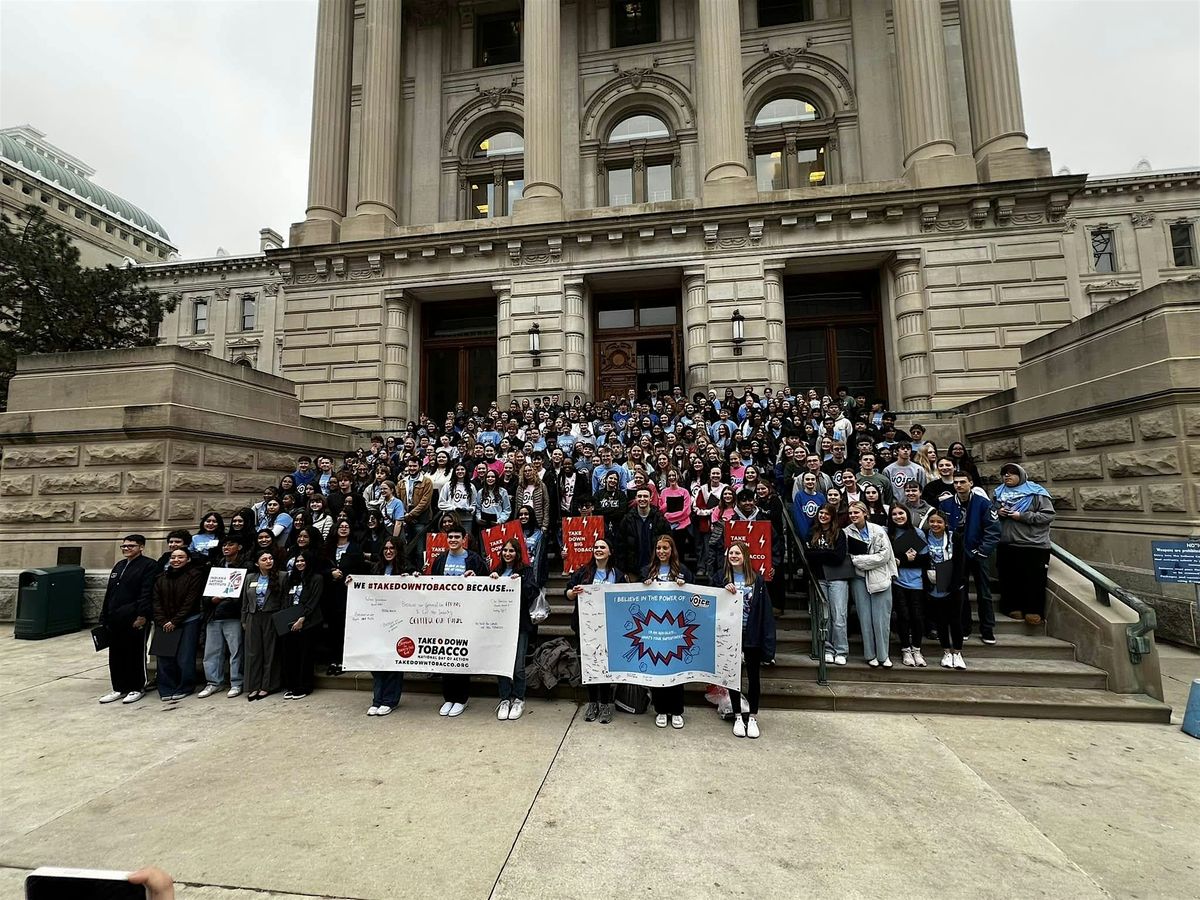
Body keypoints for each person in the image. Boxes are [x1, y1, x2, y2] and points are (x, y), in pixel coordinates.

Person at [429, 523, 490, 717]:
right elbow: (431, 584)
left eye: (457, 537)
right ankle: (448, 698)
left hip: (466, 616)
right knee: (446, 656)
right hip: (444, 616)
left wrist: (476, 577)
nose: (453, 540)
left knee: (461, 657)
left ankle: (461, 699)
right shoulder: (440, 559)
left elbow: (487, 582)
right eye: (450, 537)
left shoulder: (474, 559)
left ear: (464, 539)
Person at [939, 470, 1001, 644]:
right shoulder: (946, 504)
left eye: (962, 482)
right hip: (956, 555)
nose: (959, 485)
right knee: (960, 592)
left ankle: (987, 629)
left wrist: (982, 551)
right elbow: (941, 528)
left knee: (984, 593)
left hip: (978, 554)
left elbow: (993, 530)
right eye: (956, 482)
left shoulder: (983, 503)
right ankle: (964, 627)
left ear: (971, 483)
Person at [566, 538, 624, 724]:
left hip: (608, 626)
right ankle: (592, 703)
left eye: (602, 547)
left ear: (610, 552)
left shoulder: (618, 574)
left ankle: (605, 704)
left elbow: (624, 598)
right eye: (596, 547)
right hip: (586, 627)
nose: (598, 549)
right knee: (589, 665)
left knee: (605, 666)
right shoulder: (583, 572)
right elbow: (568, 593)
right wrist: (573, 592)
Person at [722, 540, 775, 739]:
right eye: (731, 553)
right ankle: (737, 715)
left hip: (751, 635)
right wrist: (723, 589)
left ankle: (752, 717)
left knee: (753, 677)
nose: (734, 556)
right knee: (733, 677)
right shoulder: (721, 578)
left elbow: (765, 611)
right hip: (730, 635)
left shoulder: (757, 580)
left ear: (744, 556)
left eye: (737, 553)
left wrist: (768, 644)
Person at [992, 463, 1056, 626]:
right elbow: (990, 513)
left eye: (1012, 473)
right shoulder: (998, 493)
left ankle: (1033, 610)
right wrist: (998, 512)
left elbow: (1047, 515)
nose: (1007, 476)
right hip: (1007, 543)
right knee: (1009, 578)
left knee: (1033, 579)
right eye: (1004, 473)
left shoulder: (1037, 493)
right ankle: (1012, 607)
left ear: (1020, 475)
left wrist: (1022, 516)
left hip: (1033, 544)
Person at [97, 534, 157, 705]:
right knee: (116, 654)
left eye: (131, 546)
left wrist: (142, 615)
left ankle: (136, 687)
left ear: (141, 547)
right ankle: (119, 687)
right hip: (114, 617)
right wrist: (104, 615)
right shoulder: (119, 565)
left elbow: (146, 592)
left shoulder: (149, 565)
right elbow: (110, 592)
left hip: (134, 618)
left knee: (134, 653)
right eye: (124, 546)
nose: (127, 549)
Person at [642, 535, 692, 730]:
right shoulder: (647, 571)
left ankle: (677, 710)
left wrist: (684, 586)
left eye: (665, 548)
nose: (661, 551)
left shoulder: (683, 571)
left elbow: (693, 595)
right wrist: (644, 586)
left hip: (676, 629)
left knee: (676, 669)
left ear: (672, 550)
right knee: (657, 669)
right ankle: (661, 709)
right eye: (658, 548)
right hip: (654, 628)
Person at [491, 537, 539, 721]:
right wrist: (491, 580)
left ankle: (518, 698)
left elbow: (533, 592)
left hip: (519, 625)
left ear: (518, 553)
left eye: (511, 551)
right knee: (501, 664)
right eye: (505, 550)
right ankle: (505, 698)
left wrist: (521, 582)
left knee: (518, 666)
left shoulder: (526, 570)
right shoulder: (496, 570)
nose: (507, 554)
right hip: (498, 625)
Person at [846, 500, 898, 668]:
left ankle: (884, 655)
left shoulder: (878, 530)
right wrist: (865, 560)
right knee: (865, 618)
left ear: (865, 513)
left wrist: (862, 561)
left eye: (856, 512)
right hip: (859, 579)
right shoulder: (846, 532)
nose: (853, 515)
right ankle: (870, 655)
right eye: (850, 513)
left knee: (881, 619)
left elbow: (885, 555)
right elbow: (849, 558)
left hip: (880, 578)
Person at [152, 548, 206, 701]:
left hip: (187, 621)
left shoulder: (195, 575)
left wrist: (175, 621)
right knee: (164, 658)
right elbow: (156, 601)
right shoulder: (161, 577)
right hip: (164, 622)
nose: (176, 560)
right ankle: (166, 688)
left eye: (181, 557)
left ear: (188, 559)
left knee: (185, 657)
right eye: (173, 557)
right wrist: (163, 620)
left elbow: (191, 601)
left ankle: (185, 687)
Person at [198, 535, 248, 699]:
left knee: (236, 651)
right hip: (213, 615)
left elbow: (242, 593)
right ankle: (213, 682)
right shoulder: (215, 566)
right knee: (212, 651)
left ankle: (237, 682)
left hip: (233, 615)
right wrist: (211, 600)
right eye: (224, 545)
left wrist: (225, 599)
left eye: (230, 544)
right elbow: (206, 590)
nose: (226, 548)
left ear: (239, 547)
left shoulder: (245, 566)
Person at [366, 537, 406, 716]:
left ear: (398, 550)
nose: (388, 551)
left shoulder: (406, 568)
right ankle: (377, 700)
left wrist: (412, 578)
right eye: (385, 548)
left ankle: (390, 700)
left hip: (398, 622)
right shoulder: (376, 569)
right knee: (377, 660)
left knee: (393, 661)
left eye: (392, 548)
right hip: (377, 621)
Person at [807, 505, 851, 666]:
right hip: (819, 578)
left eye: (827, 513)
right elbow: (808, 555)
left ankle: (841, 650)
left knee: (839, 616)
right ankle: (827, 649)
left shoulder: (839, 533)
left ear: (832, 516)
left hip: (838, 578)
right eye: (821, 513)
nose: (823, 516)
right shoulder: (812, 532)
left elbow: (839, 557)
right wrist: (826, 554)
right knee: (824, 617)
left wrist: (818, 554)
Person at [924, 509, 968, 670]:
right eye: (932, 521)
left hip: (953, 585)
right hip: (934, 584)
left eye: (939, 522)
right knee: (941, 621)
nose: (935, 524)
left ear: (945, 523)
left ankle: (957, 653)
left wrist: (954, 583)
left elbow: (960, 562)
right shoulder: (924, 536)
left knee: (955, 620)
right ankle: (946, 652)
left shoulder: (954, 537)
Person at [280, 550, 325, 700]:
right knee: (290, 655)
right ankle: (292, 686)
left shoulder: (316, 578)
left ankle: (304, 687)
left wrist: (302, 619)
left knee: (305, 656)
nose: (299, 563)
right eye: (297, 561)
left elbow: (314, 600)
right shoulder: (290, 578)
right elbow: (285, 598)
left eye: (302, 561)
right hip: (290, 620)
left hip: (309, 622)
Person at [888, 504, 928, 668]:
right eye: (894, 514)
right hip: (897, 581)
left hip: (916, 582)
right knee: (903, 616)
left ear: (907, 514)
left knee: (917, 617)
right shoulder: (888, 534)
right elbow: (889, 561)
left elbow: (924, 559)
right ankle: (905, 649)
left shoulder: (918, 533)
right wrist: (905, 559)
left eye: (901, 513)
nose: (898, 516)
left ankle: (917, 649)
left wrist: (902, 560)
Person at [242, 549, 284, 700]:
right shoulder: (250, 578)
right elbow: (245, 601)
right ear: (257, 563)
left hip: (271, 616)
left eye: (270, 558)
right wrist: (244, 620)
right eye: (264, 559)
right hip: (253, 616)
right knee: (253, 652)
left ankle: (267, 685)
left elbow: (284, 600)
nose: (268, 561)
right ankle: (253, 686)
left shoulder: (282, 576)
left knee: (270, 651)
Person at [618, 486, 671, 577]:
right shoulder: (627, 520)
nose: (642, 499)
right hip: (633, 570)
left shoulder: (660, 519)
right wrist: (624, 570)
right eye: (639, 496)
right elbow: (621, 546)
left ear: (651, 498)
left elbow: (669, 544)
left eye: (645, 496)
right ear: (636, 498)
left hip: (655, 569)